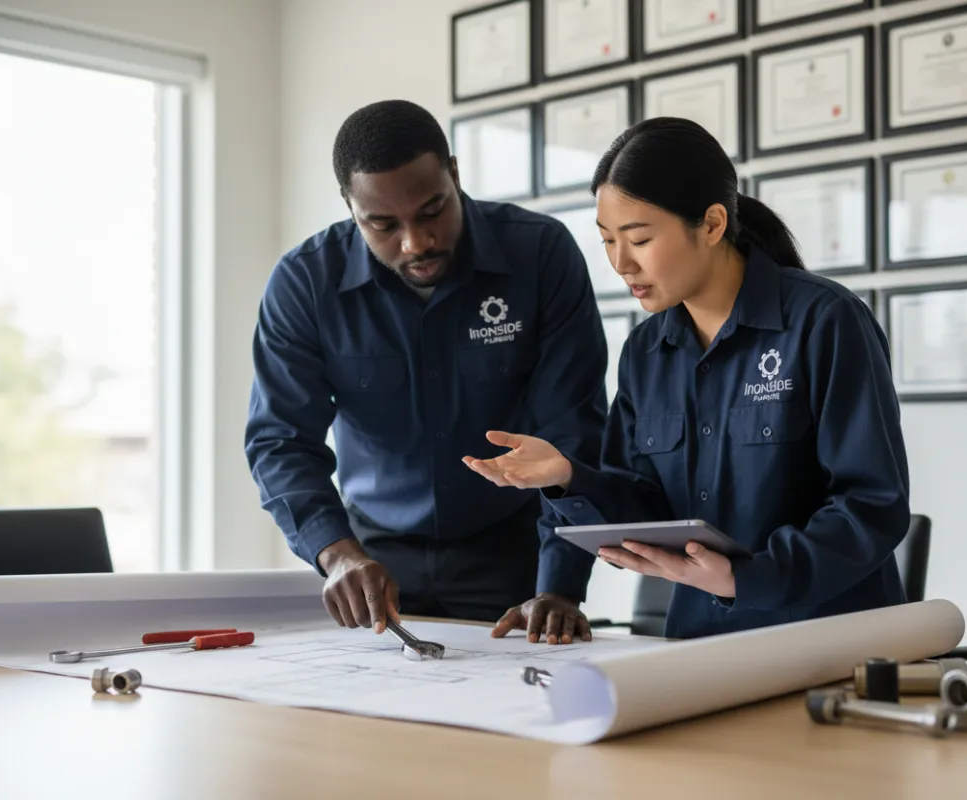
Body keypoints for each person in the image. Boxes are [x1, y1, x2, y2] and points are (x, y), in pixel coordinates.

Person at [465, 117, 911, 640]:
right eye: (607, 241)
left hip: (828, 640)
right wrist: (568, 478)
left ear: (713, 224)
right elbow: (647, 513)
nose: (621, 263)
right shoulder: (645, 352)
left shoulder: (825, 321)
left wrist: (748, 577)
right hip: (698, 645)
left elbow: (872, 505)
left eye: (640, 239)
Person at [245, 100, 607, 638]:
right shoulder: (305, 284)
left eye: (432, 210)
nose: (416, 243)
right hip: (371, 559)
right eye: (384, 224)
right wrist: (336, 554)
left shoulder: (540, 254)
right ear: (350, 207)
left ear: (454, 175)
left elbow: (572, 431)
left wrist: (559, 585)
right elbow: (280, 440)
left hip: (513, 553)